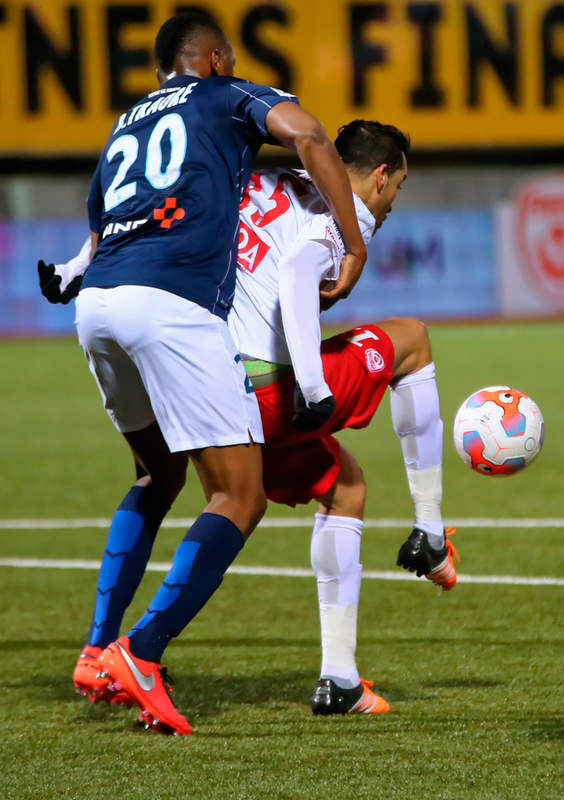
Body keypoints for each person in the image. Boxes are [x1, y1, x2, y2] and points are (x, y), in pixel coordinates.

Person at [50, 121, 454, 717]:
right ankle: (431, 532)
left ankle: (338, 682)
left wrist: (77, 263)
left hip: (203, 376)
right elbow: (296, 271)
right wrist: (312, 384)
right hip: (274, 389)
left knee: (344, 488)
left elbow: (151, 213)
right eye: (397, 188)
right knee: (414, 340)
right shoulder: (349, 209)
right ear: (381, 175)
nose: (392, 203)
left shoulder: (255, 179)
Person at [42, 12, 367, 736]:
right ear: (215, 58)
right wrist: (352, 245)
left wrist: (69, 273)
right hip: (171, 304)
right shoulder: (223, 94)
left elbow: (102, 223)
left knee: (158, 475)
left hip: (98, 305)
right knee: (240, 494)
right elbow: (311, 135)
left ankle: (97, 648)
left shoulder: (126, 124)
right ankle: (142, 654)